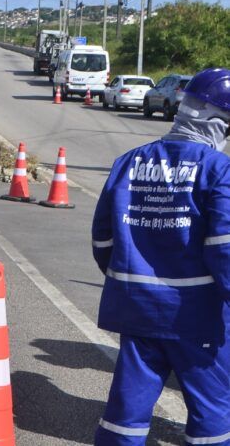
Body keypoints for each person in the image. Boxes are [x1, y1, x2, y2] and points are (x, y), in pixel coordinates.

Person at [91, 68, 230, 445]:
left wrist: (126, 277)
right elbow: (224, 251)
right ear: (218, 124)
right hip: (196, 316)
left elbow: (102, 241)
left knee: (126, 413)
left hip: (134, 309)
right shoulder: (219, 170)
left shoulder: (128, 162)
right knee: (213, 415)